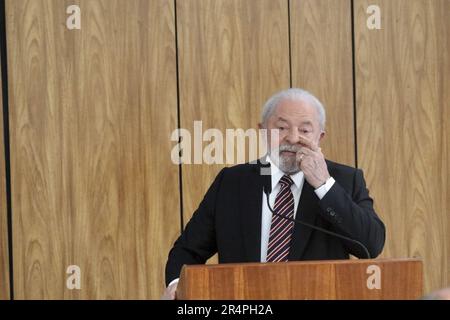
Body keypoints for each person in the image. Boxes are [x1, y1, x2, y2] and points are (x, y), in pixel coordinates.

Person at [162, 88, 385, 299]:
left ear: (320, 137)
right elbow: (187, 251)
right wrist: (175, 286)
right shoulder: (232, 182)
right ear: (262, 131)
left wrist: (323, 185)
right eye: (281, 128)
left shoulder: (344, 180)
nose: (293, 137)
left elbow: (371, 245)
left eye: (305, 130)